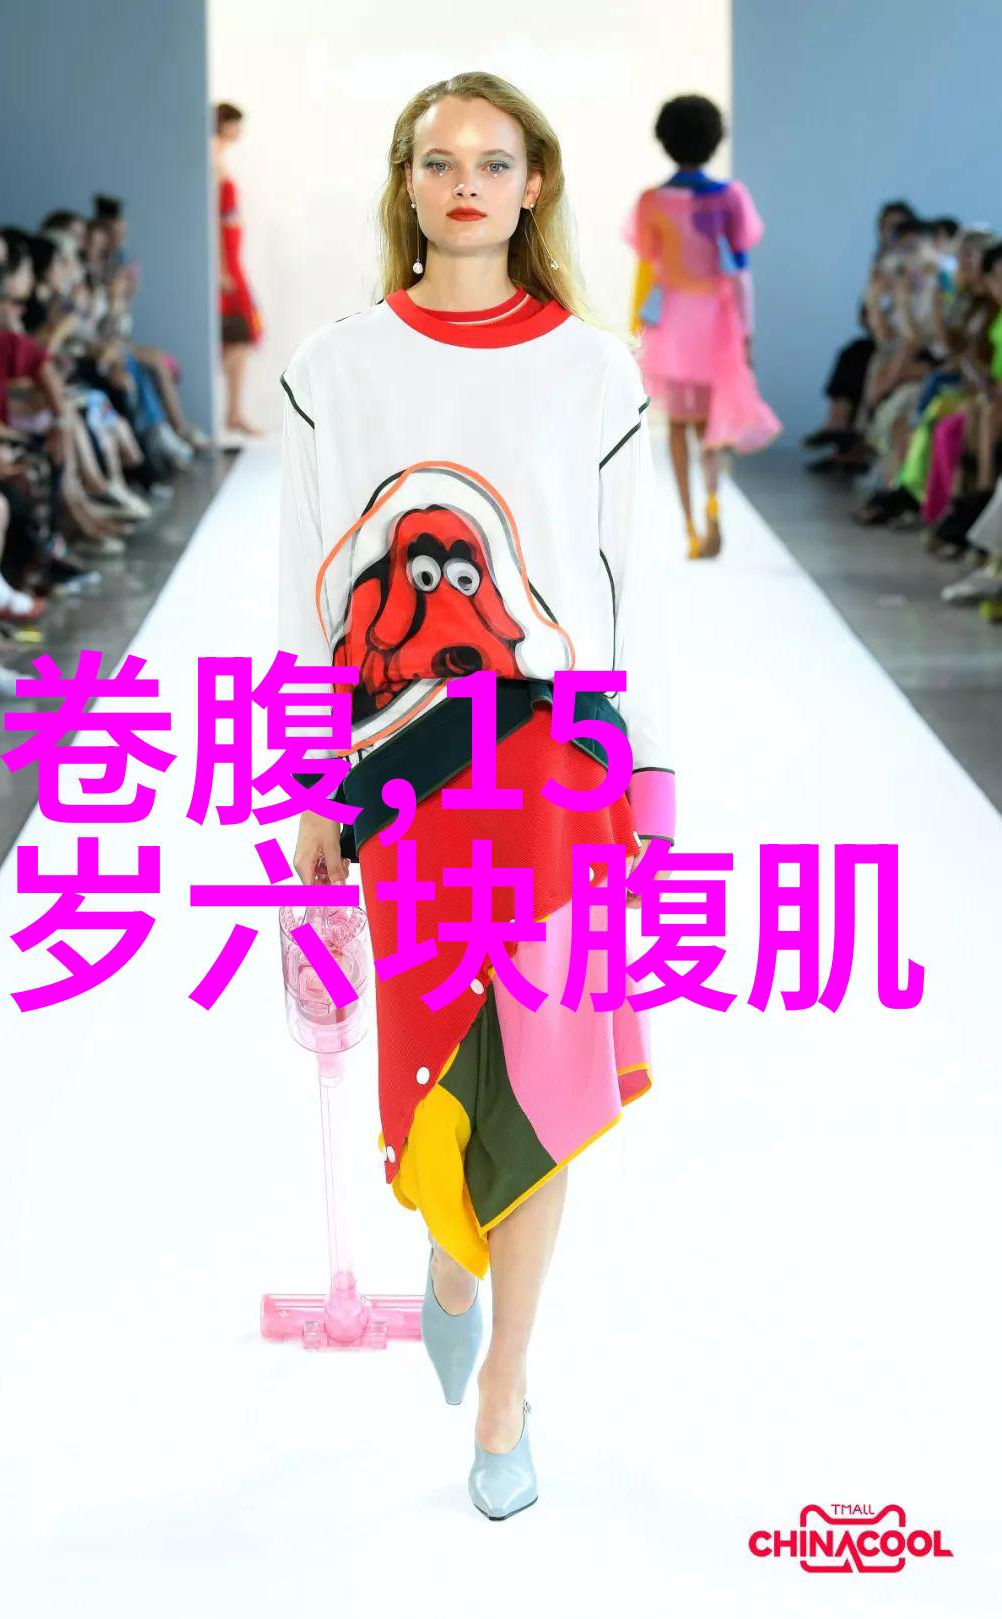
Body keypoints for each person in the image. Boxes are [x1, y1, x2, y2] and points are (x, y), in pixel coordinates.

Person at [278, 70, 676, 1521]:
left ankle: (508, 1374)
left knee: (551, 1067)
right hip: (404, 775)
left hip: (561, 764)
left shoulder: (595, 369)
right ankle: (454, 1251)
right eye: (439, 160)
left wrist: (653, 774)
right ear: (407, 181)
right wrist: (305, 782)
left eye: (494, 162)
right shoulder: (336, 366)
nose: (467, 184)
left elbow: (630, 589)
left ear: (534, 183)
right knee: (445, 1057)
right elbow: (307, 585)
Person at [621, 94, 781, 558]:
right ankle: (713, 506)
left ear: (665, 139)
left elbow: (647, 268)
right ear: (714, 139)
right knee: (711, 426)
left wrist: (635, 327)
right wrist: (747, 334)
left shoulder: (651, 202)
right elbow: (741, 272)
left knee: (677, 423)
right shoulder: (730, 197)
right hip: (716, 321)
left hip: (670, 321)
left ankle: (689, 526)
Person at [213, 101, 263, 436]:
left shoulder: (218, 157)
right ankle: (232, 410)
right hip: (226, 264)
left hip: (231, 259)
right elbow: (213, 219)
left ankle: (234, 410)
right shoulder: (212, 158)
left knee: (241, 335)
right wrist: (221, 268)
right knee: (239, 331)